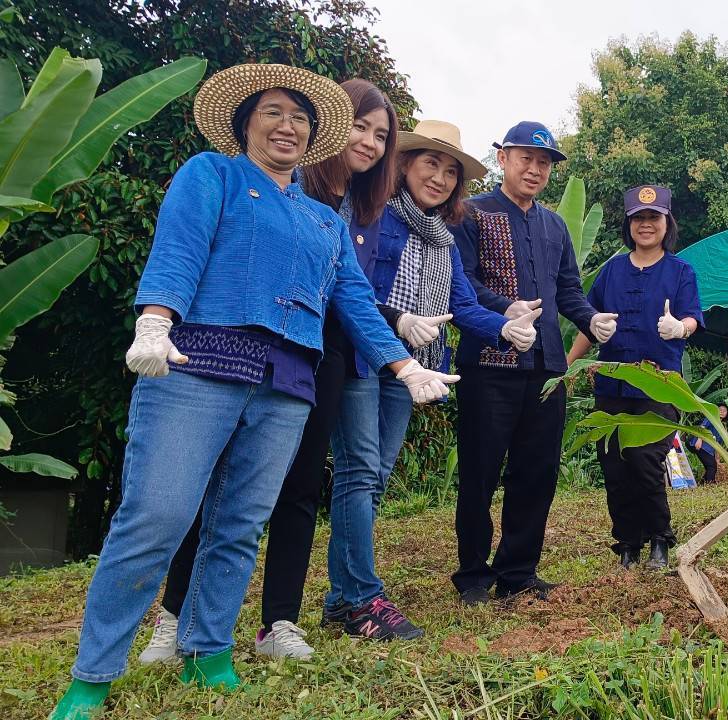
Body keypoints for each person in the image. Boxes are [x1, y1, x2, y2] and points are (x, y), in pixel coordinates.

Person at [51, 64, 456, 720]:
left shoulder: (324, 219)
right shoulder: (211, 175)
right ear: (245, 123)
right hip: (198, 365)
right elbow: (180, 251)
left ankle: (208, 649)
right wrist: (155, 318)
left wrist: (402, 367)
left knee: (240, 525)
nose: (287, 126)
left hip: (287, 386)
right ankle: (93, 675)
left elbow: (351, 297)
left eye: (300, 118)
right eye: (273, 112)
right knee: (156, 514)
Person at [139, 77, 402, 665]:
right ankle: (174, 616)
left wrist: (401, 352)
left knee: (300, 487)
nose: (368, 142)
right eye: (359, 126)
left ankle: (277, 621)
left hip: (323, 357)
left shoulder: (358, 206)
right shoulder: (280, 179)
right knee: (212, 483)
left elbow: (352, 293)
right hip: (241, 348)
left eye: (381, 135)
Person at [325, 120, 540, 637]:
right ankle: (359, 598)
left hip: (412, 369)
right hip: (360, 358)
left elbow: (462, 305)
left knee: (373, 477)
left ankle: (342, 596)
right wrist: (396, 320)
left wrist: (507, 330)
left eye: (450, 171)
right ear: (402, 164)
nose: (440, 179)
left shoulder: (441, 236)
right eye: (430, 165)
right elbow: (346, 284)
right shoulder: (369, 212)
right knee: (359, 474)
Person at [451, 121, 617, 605]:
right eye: (526, 157)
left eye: (544, 162)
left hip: (547, 368)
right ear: (502, 158)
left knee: (537, 470)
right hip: (489, 361)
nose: (535, 168)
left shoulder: (554, 226)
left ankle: (518, 570)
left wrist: (592, 321)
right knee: (481, 471)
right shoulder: (471, 214)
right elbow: (462, 283)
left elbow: (568, 290)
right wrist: (504, 310)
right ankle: (474, 575)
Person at [567, 185, 703, 570]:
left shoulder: (680, 271)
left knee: (645, 461)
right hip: (612, 385)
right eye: (638, 219)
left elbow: (694, 316)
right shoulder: (611, 270)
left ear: (666, 223)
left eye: (654, 218)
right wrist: (568, 364)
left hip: (660, 383)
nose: (646, 225)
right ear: (629, 225)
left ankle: (660, 537)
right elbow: (587, 322)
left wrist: (680, 327)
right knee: (615, 465)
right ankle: (627, 541)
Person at [691, 405, 728, 485]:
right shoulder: (711, 418)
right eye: (720, 410)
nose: (722, 412)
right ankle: (710, 484)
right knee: (712, 467)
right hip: (702, 446)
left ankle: (702, 484)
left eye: (724, 411)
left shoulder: (722, 426)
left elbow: (718, 444)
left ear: (726, 414)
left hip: (709, 450)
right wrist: (699, 439)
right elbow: (702, 427)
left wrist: (717, 458)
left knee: (710, 467)